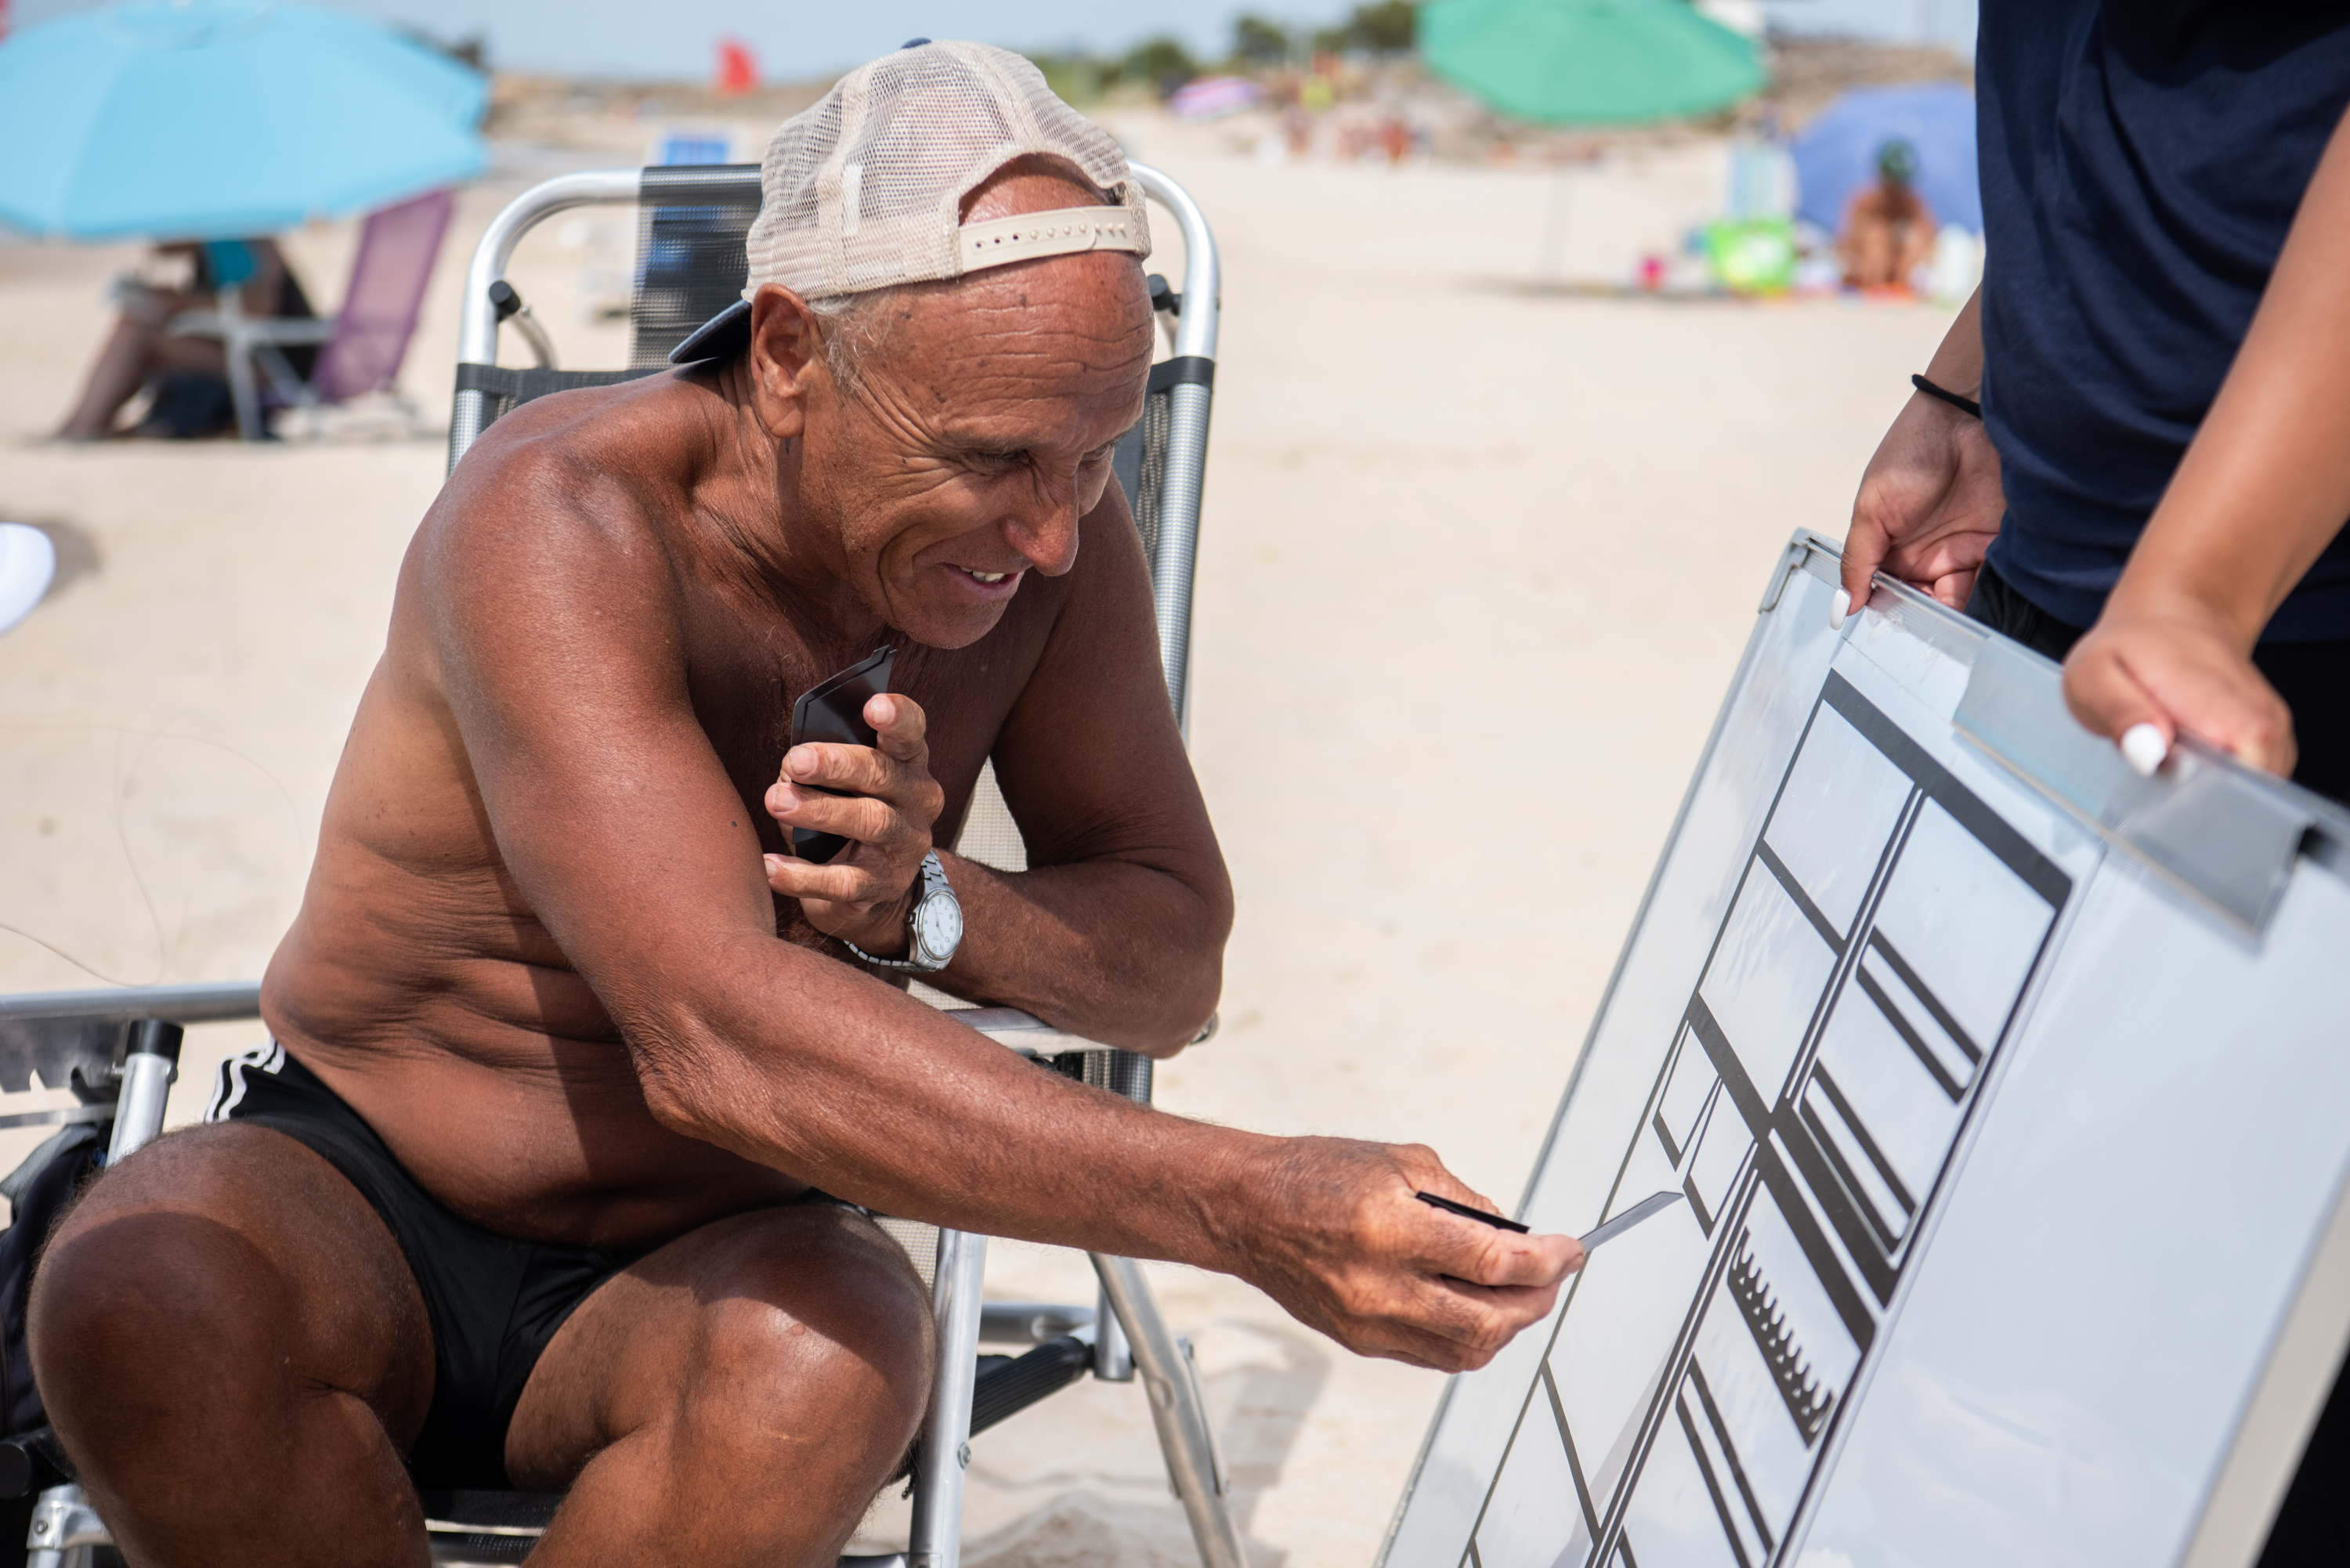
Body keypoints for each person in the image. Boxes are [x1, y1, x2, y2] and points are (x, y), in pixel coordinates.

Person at [26, 43, 1583, 1566]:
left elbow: (1176, 965)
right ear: (786, 354)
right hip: (369, 1196)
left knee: (832, 1355)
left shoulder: (1055, 555)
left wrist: (935, 904)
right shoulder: (561, 516)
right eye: (990, 457)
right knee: (144, 1288)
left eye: (1097, 455)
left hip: (712, 1257)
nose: (1049, 533)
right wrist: (1258, 1206)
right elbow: (713, 1034)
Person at [1842, 8, 2350, 1560]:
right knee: (2020, 1355)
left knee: (2244, 1410)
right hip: (2079, 594)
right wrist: (1974, 393)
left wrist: (2205, 580)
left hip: (2266, 643)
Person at [55, 237, 317, 441]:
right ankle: (89, 424)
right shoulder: (218, 242)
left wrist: (174, 301)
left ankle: (83, 425)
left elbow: (258, 307)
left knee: (136, 333)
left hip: (281, 369)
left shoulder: (228, 237)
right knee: (144, 338)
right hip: (263, 359)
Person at [1835, 137, 1936, 292]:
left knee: (1914, 238)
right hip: (1865, 277)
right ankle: (1876, 290)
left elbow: (1929, 238)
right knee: (1876, 236)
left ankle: (1899, 288)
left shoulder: (1912, 204)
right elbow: (1847, 248)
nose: (1896, 189)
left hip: (1900, 279)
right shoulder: (1865, 202)